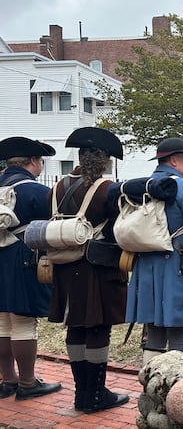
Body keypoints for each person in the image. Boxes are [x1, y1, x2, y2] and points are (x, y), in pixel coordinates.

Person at [47, 127, 129, 412]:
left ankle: (82, 393)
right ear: (105, 160)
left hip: (64, 267)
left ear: (80, 156)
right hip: (95, 267)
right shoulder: (106, 189)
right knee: (97, 328)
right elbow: (121, 228)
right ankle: (96, 394)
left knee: (76, 326)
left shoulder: (57, 187)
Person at [125, 138, 183, 365]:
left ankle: (150, 387)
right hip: (177, 266)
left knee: (153, 334)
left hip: (145, 267)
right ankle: (175, 392)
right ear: (174, 160)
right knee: (180, 335)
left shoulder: (141, 186)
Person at [0, 137, 61, 401]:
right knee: (24, 322)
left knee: (2, 322)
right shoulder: (36, 191)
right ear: (33, 162)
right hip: (22, 259)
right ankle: (27, 382)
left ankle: (7, 379)